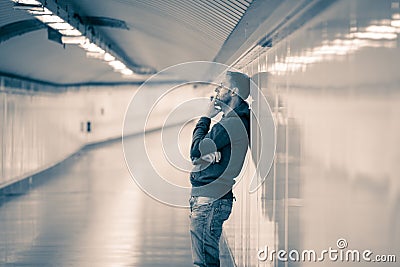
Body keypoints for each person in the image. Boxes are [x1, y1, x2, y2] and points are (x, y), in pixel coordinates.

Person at [189, 71, 251, 266]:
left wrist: (205, 117)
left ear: (234, 91)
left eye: (222, 85)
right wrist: (201, 154)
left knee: (205, 263)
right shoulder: (232, 120)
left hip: (210, 202)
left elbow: (195, 149)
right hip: (210, 200)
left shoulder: (232, 123)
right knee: (205, 261)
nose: (217, 89)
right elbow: (196, 154)